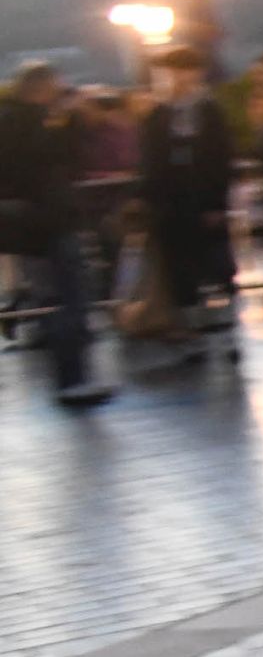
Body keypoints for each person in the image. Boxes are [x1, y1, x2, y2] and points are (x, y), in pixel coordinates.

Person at [0, 65, 108, 406]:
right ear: (42, 88)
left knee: (53, 299)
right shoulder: (29, 123)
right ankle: (72, 379)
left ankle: (70, 378)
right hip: (52, 222)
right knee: (70, 299)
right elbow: (59, 157)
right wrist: (67, 121)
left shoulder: (12, 120)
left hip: (31, 227)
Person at [134, 47, 237, 343]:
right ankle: (190, 330)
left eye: (184, 70)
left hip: (206, 199)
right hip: (170, 204)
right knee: (179, 270)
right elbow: (149, 162)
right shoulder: (157, 114)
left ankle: (227, 327)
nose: (178, 77)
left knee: (218, 264)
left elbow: (222, 158)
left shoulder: (209, 111)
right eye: (171, 70)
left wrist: (217, 201)